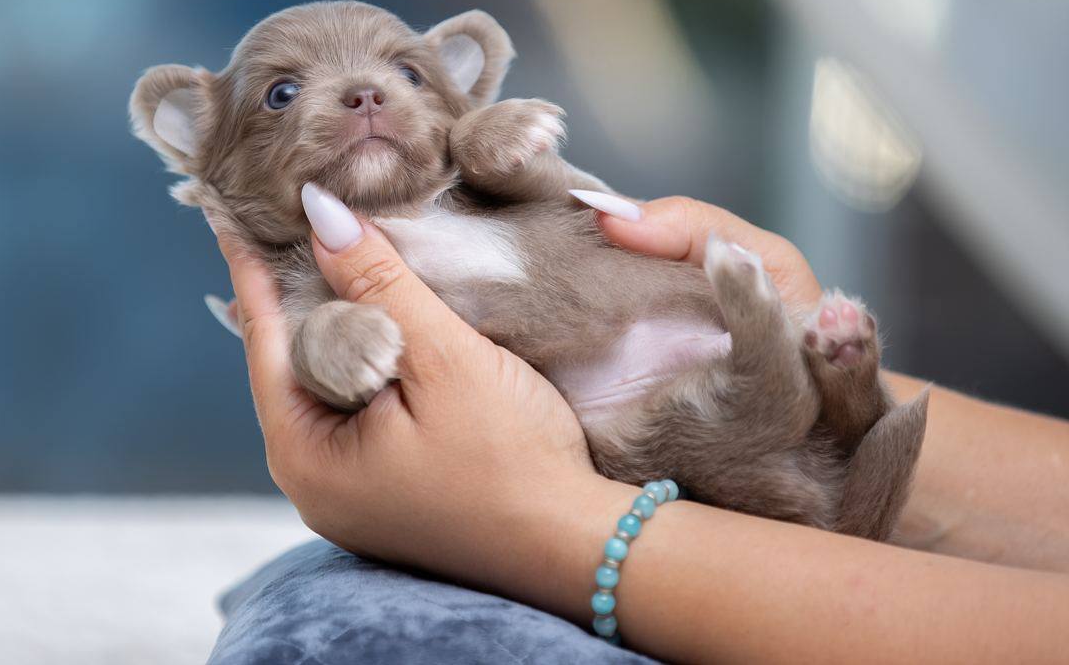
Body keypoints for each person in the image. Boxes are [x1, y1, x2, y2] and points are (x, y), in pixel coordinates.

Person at [213, 193, 1069, 663]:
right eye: (282, 95)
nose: (360, 99)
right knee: (759, 426)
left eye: (403, 74)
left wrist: (550, 522)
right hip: (724, 415)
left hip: (663, 442)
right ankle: (819, 410)